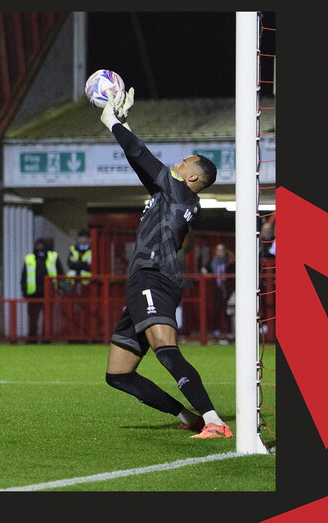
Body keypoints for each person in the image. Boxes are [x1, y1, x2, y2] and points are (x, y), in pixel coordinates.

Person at [98, 87, 231, 439]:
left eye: (184, 162)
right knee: (119, 374)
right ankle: (187, 415)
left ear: (191, 177)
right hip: (143, 281)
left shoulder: (178, 192)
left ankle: (215, 421)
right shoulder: (172, 194)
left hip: (153, 278)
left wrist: (112, 122)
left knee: (166, 350)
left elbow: (142, 154)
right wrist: (123, 126)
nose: (177, 162)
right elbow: (139, 162)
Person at [20, 237, 62, 344]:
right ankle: (32, 339)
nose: (39, 247)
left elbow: (60, 274)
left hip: (49, 293)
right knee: (32, 319)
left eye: (42, 245)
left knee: (47, 319)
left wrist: (59, 289)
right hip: (33, 294)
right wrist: (24, 291)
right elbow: (24, 276)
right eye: (38, 245)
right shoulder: (29, 258)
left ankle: (46, 338)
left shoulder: (53, 257)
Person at [200, 243, 235, 344]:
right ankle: (216, 332)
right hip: (216, 290)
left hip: (228, 289)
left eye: (221, 250)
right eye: (217, 250)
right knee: (215, 310)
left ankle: (230, 333)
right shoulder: (213, 261)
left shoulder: (230, 262)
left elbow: (234, 272)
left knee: (227, 311)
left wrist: (226, 277)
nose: (219, 252)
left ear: (224, 251)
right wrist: (207, 274)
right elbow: (203, 268)